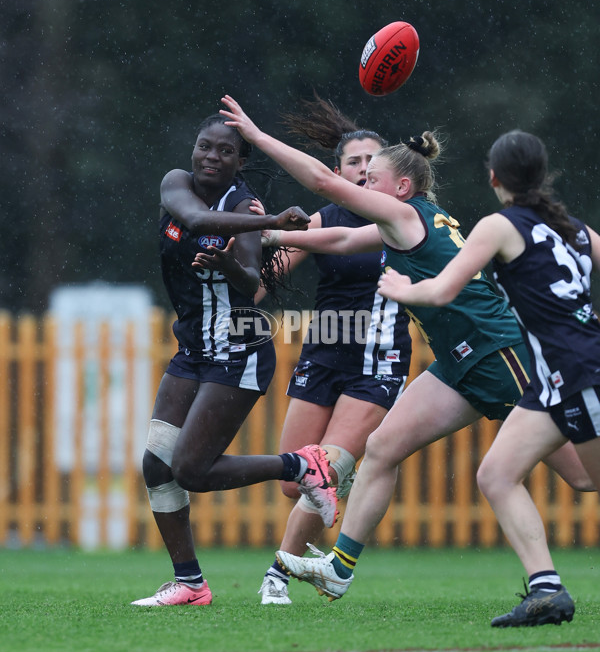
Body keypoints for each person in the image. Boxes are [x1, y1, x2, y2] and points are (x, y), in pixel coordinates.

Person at [217, 97, 594, 622]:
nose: (361, 184)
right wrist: (271, 232)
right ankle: (340, 567)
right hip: (459, 363)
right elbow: (344, 236)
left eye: (371, 177)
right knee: (383, 446)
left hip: (498, 352)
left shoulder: (404, 214)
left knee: (582, 476)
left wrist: (257, 139)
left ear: (401, 187)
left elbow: (326, 186)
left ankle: (546, 586)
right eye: (361, 175)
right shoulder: (405, 220)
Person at [375, 130, 600, 626]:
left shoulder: (499, 225)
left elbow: (442, 292)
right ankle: (546, 592)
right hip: (553, 377)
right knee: (497, 474)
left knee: (593, 479)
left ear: (494, 177)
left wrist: (401, 287)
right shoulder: (575, 228)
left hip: (578, 370)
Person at [131, 113, 337, 607]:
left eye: (225, 152)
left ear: (240, 163)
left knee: (192, 472)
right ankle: (191, 584)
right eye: (205, 146)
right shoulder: (176, 183)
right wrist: (272, 224)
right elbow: (196, 221)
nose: (210, 157)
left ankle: (300, 465)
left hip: (237, 350)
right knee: (157, 466)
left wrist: (229, 262)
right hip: (193, 349)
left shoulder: (244, 203)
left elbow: (250, 283)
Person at [254, 97, 412, 606]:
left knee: (325, 467)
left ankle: (277, 573)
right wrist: (228, 296)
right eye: (354, 162)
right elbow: (273, 269)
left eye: (373, 160)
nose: (364, 169)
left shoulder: (398, 217)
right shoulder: (326, 216)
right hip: (323, 351)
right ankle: (335, 488)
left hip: (377, 359)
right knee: (293, 480)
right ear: (338, 170)